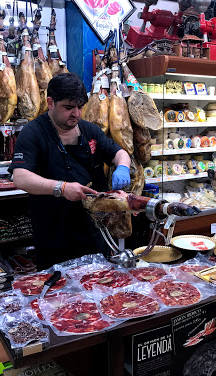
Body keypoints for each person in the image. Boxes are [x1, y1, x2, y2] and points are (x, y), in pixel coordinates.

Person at [9, 73, 131, 270]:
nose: (76, 114)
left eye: (79, 107)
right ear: (50, 103)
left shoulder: (89, 130)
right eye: (68, 107)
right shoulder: (32, 133)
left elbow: (119, 153)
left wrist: (123, 167)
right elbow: (20, 177)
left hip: (94, 231)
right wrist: (61, 187)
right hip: (54, 234)